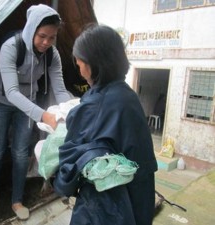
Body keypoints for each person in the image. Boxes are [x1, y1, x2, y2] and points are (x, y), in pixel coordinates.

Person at [53, 24, 158, 225]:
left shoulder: (96, 105)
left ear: (95, 64)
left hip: (109, 206)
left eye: (80, 61)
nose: (78, 65)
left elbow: (69, 165)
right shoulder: (128, 94)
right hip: (140, 194)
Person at [0, 4, 71, 220]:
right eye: (42, 36)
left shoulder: (52, 54)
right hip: (1, 101)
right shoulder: (11, 47)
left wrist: (72, 111)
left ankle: (17, 201)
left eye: (52, 38)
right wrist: (43, 115)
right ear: (31, 29)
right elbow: (12, 92)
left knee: (21, 152)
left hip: (29, 103)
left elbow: (60, 90)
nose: (46, 43)